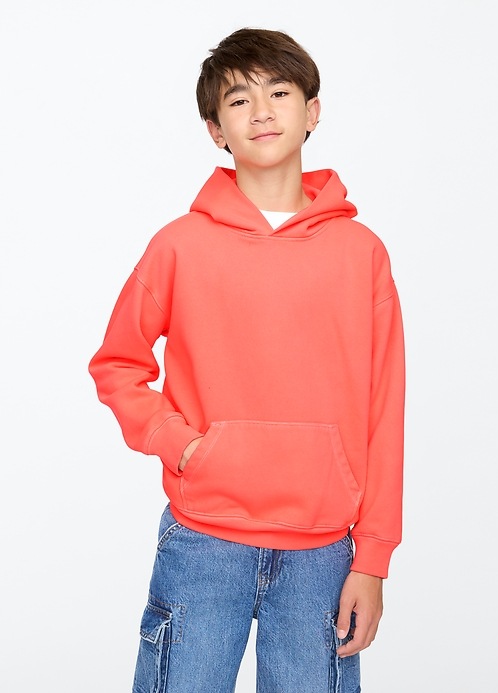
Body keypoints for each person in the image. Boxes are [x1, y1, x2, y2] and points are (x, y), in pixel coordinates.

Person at [89, 27, 405, 693]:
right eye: (238, 100)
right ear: (216, 130)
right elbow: (117, 362)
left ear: (312, 111)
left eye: (279, 92)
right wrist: (179, 443)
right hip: (203, 540)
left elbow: (385, 409)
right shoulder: (180, 245)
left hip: (323, 552)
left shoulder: (361, 253)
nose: (261, 111)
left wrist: (373, 556)